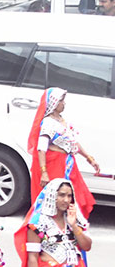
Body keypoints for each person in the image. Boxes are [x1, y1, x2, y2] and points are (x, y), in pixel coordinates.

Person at [27, 87, 100, 218]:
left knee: (75, 196)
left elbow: (73, 142)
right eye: (61, 100)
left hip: (68, 164)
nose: (63, 103)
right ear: (54, 103)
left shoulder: (62, 121)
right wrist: (44, 172)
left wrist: (89, 158)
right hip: (55, 165)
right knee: (56, 198)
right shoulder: (48, 123)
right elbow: (41, 149)